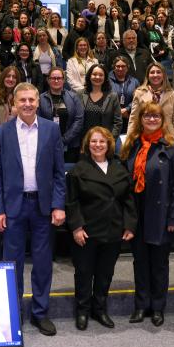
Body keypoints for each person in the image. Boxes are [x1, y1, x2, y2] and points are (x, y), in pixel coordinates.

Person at [0, 82, 66, 336]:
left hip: (43, 206)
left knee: (43, 262)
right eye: (22, 100)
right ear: (14, 102)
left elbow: (58, 173)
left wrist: (58, 205)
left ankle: (40, 312)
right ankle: (14, 312)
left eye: (31, 100)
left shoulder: (51, 130)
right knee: (12, 263)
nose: (27, 104)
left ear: (38, 102)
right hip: (14, 206)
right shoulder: (2, 133)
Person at [120, 102, 174, 327]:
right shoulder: (131, 145)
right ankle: (141, 306)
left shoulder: (173, 147)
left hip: (162, 214)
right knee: (140, 262)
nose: (151, 120)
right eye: (146, 116)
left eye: (155, 117)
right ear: (140, 119)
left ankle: (158, 307)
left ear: (162, 120)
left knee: (159, 264)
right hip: (137, 214)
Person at [66, 126, 136, 330]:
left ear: (109, 144)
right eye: (94, 141)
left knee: (105, 273)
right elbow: (72, 202)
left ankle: (100, 309)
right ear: (88, 145)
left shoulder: (119, 168)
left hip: (113, 230)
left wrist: (130, 225)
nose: (97, 145)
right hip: (87, 231)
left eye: (102, 141)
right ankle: (82, 311)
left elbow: (129, 200)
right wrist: (76, 227)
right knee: (84, 273)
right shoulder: (79, 169)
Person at [38, 66, 85, 163]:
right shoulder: (40, 99)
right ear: (48, 80)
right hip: (48, 144)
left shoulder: (74, 97)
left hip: (71, 144)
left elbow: (79, 119)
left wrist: (64, 139)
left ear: (63, 80)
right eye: (53, 78)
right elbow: (38, 120)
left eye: (59, 78)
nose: (56, 81)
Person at [129, 63, 174, 137]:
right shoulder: (139, 93)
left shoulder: (172, 94)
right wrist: (129, 140)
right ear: (148, 76)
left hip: (168, 137)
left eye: (159, 72)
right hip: (146, 137)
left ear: (163, 75)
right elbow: (133, 119)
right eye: (152, 72)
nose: (155, 75)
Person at [81, 64, 122, 137]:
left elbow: (118, 122)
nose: (97, 77)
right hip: (84, 141)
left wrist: (110, 140)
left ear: (105, 77)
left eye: (101, 75)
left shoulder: (113, 96)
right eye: (94, 74)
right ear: (89, 76)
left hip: (105, 141)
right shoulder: (79, 94)